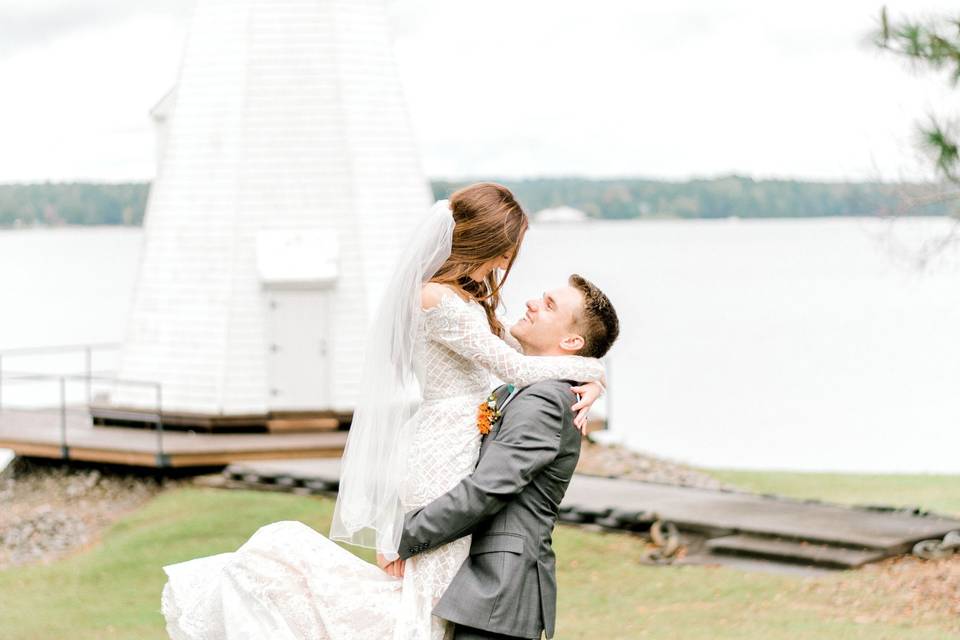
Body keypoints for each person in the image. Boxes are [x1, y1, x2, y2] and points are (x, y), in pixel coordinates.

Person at [161, 184, 608, 640]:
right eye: (505, 254)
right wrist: (596, 371)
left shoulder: (467, 301)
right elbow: (515, 366)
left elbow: (531, 360)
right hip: (445, 444)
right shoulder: (438, 299)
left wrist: (587, 377)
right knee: (428, 600)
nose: (502, 267)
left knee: (428, 595)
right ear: (486, 243)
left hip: (455, 436)